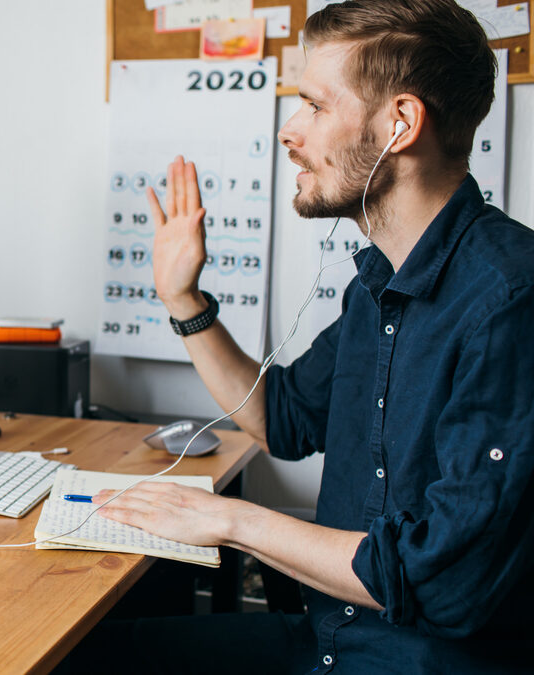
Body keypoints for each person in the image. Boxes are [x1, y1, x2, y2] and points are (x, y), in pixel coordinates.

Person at [69, 1, 534, 672]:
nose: (290, 131)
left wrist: (234, 522)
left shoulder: (509, 300)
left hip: (419, 660)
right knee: (85, 655)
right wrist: (184, 298)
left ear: (401, 123)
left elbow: (443, 585)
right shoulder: (376, 283)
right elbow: (280, 418)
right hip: (329, 641)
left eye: (314, 106)